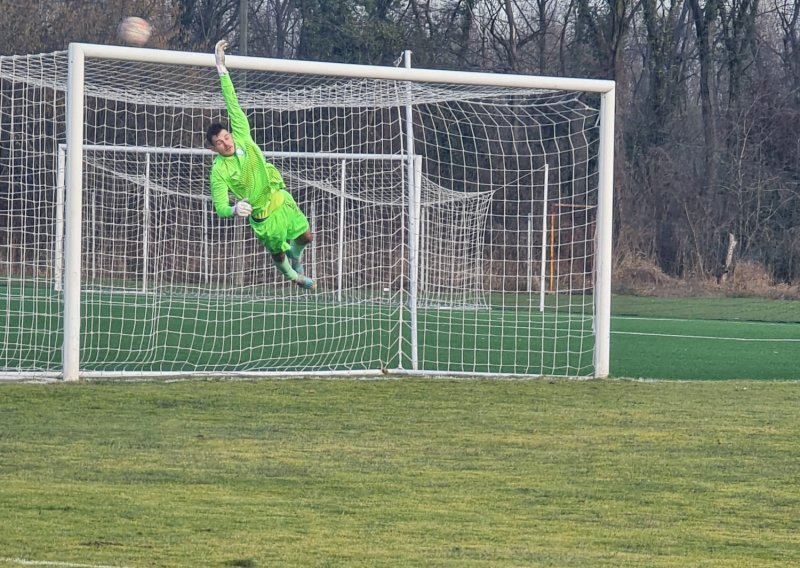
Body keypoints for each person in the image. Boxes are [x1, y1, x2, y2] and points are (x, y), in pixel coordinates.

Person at [206, 40, 315, 290]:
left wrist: (222, 69)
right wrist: (234, 210)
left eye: (226, 137)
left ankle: (296, 258)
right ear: (213, 149)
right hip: (263, 217)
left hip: (279, 197)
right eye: (219, 143)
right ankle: (293, 277)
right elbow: (220, 206)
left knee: (306, 236)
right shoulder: (219, 171)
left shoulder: (242, 134)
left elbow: (232, 103)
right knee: (277, 254)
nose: (226, 143)